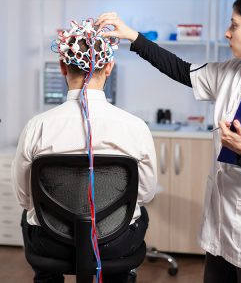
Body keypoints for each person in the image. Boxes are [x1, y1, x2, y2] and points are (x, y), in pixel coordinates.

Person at [97, 0, 241, 283]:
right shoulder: (232, 72)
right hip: (223, 223)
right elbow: (181, 70)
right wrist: (133, 37)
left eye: (234, 25)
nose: (227, 33)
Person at [11, 19, 157, 283]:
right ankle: (120, 276)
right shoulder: (135, 127)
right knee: (139, 215)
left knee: (29, 217)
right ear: (109, 67)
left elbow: (25, 198)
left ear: (62, 67)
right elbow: (144, 193)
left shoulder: (37, 127)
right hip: (114, 243)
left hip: (53, 243)